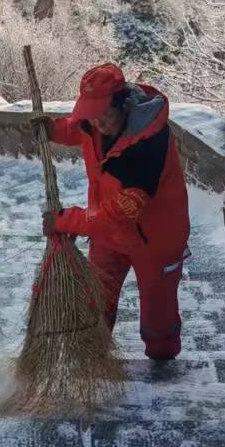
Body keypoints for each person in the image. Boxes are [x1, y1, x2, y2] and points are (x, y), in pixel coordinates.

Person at [38, 63, 190, 361]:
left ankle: (163, 363)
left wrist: (68, 220)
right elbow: (80, 130)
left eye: (105, 115)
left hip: (155, 239)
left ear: (124, 103)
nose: (99, 124)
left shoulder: (148, 142)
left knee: (158, 316)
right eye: (92, 117)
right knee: (97, 299)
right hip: (107, 235)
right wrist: (52, 129)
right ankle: (92, 359)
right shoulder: (94, 123)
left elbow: (123, 211)